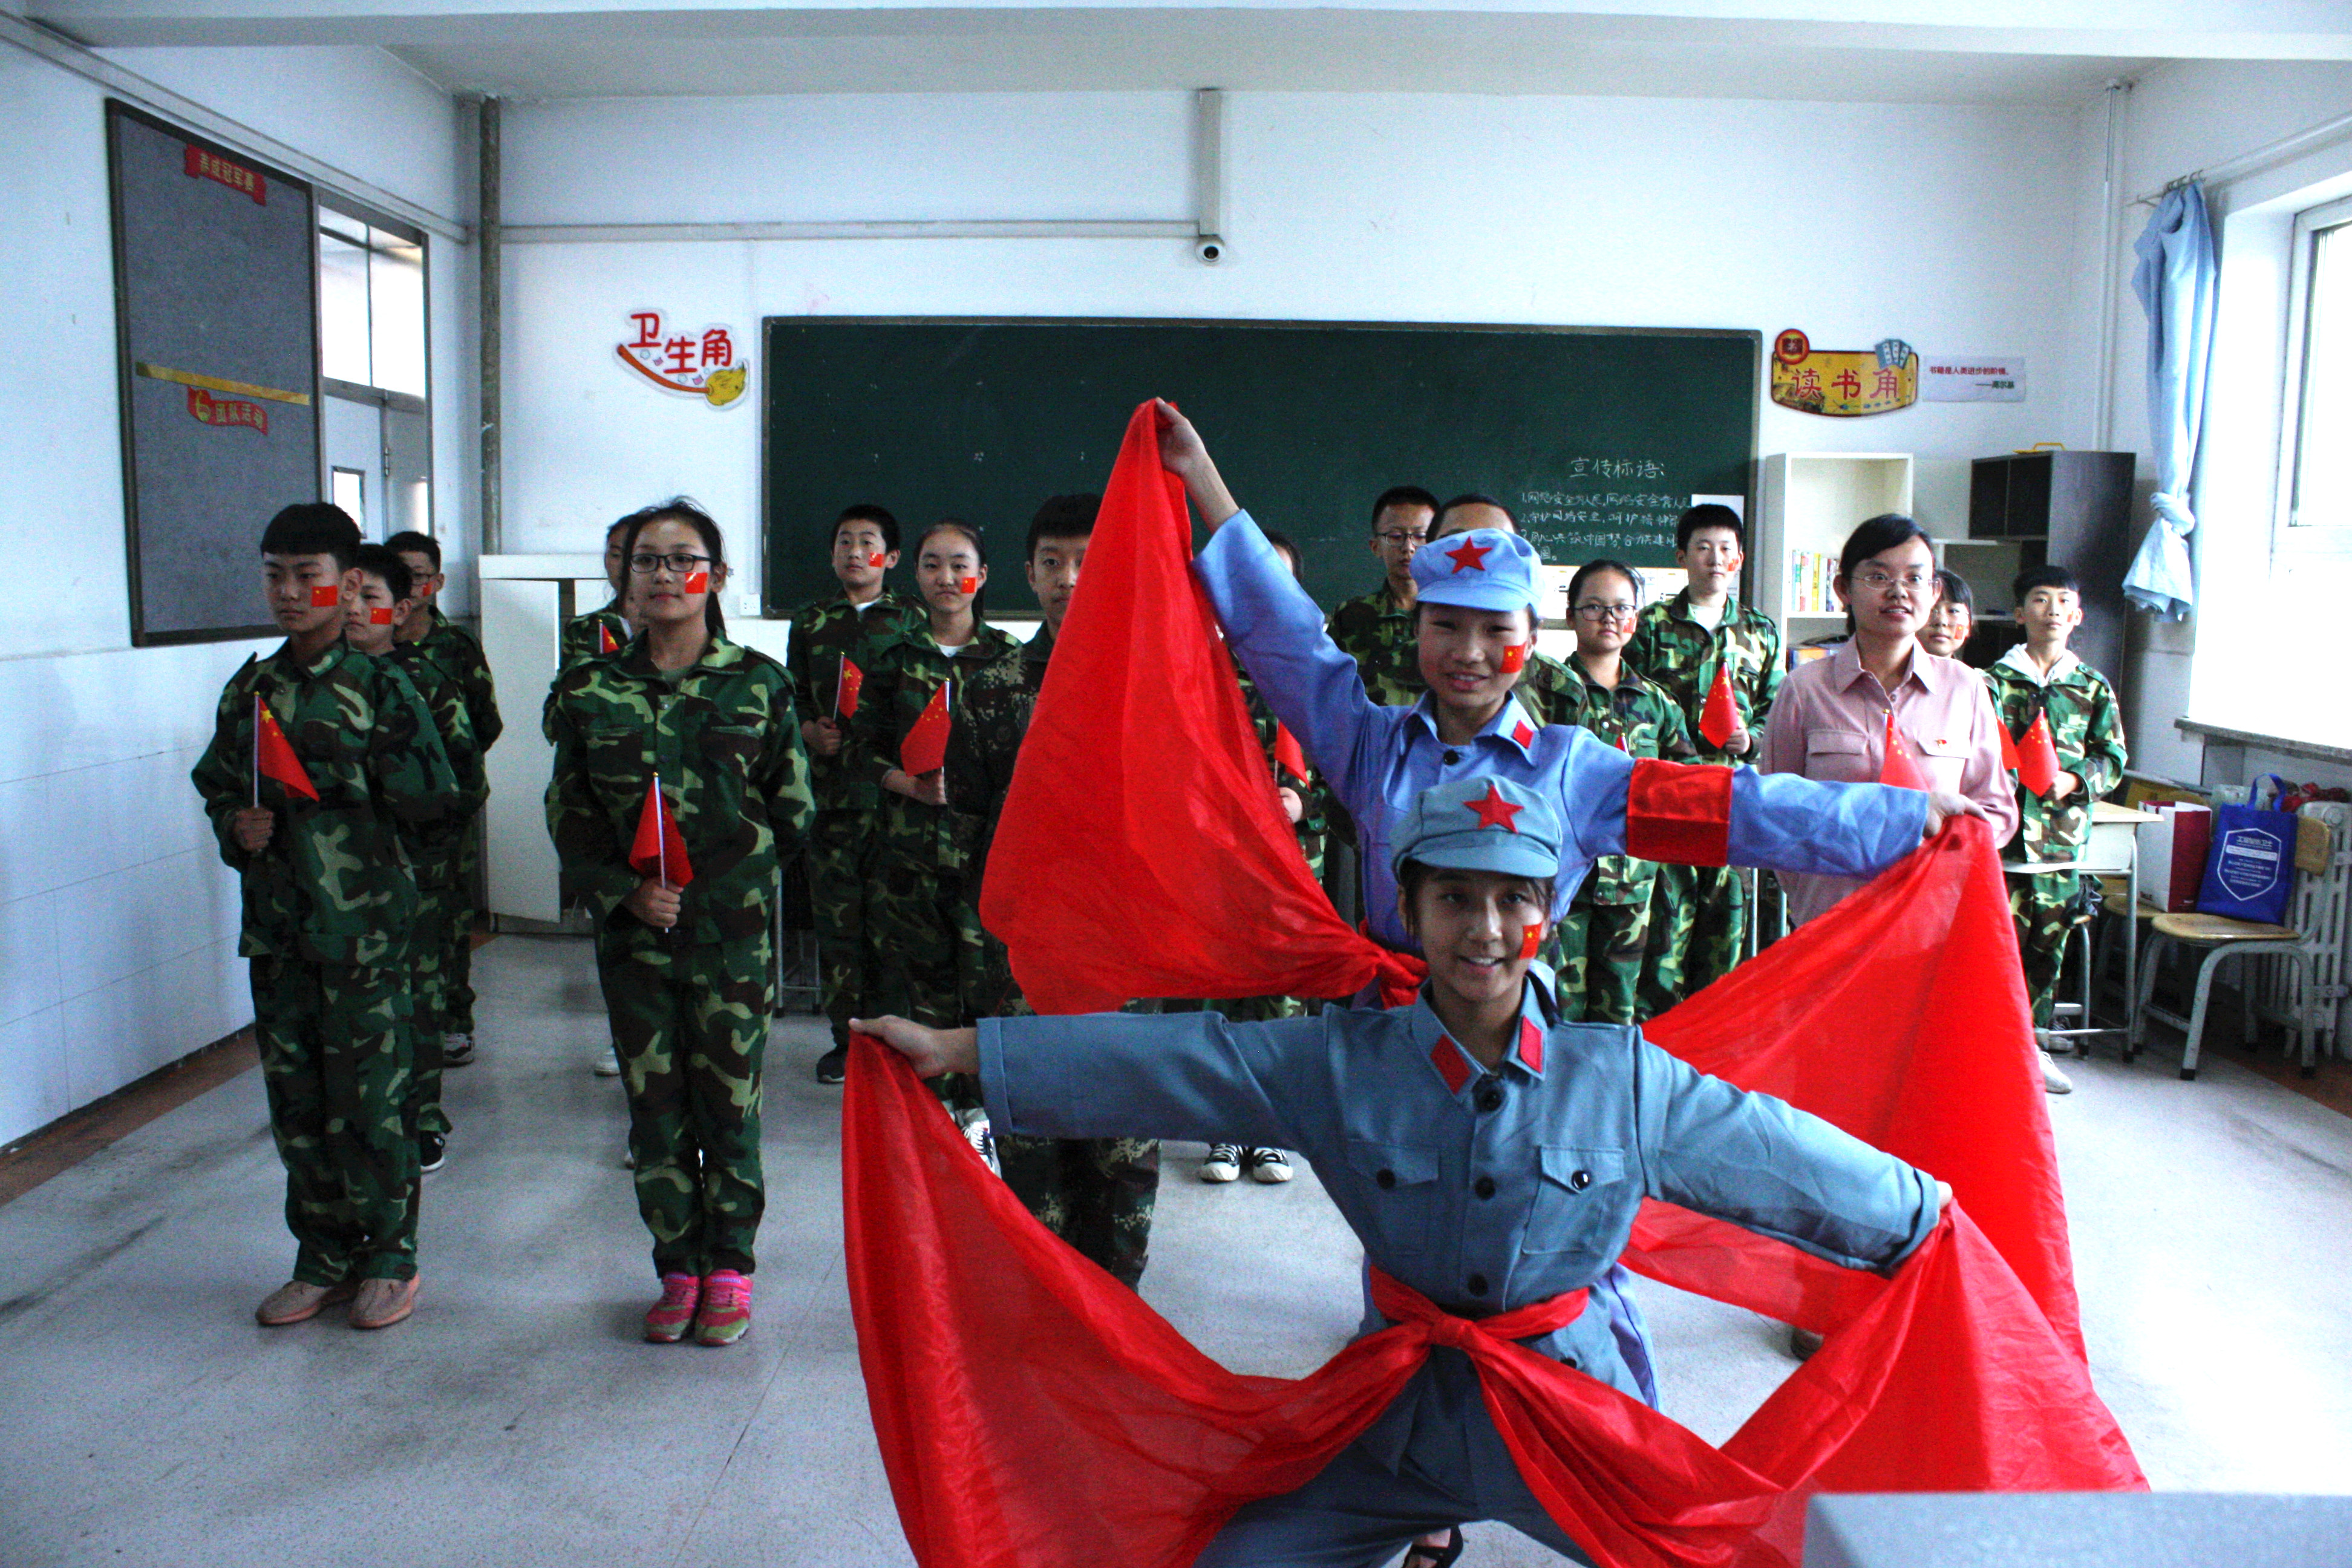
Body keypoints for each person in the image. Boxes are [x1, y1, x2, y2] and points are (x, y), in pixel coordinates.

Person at [855, 776, 1949, 1567]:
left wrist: (1923, 1220)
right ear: (1411, 913)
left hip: (1575, 1418)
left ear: (1547, 915)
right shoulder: (1338, 1062)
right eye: (1453, 900)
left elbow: (1778, 1155)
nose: (1484, 929)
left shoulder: (1618, 1078)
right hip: (1394, 1414)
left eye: (1512, 900)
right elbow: (1173, 1062)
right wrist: (963, 1052)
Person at [1154, 402, 1982, 978]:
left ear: (1533, 640)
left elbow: (1736, 808)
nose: (1469, 654)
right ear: (1417, 629)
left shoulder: (1571, 768)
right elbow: (1287, 640)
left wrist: (1903, 818)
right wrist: (1200, 476)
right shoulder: (1366, 744)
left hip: (1519, 1037)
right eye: (1446, 626)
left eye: (1495, 631)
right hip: (1386, 1037)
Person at [545, 500, 815, 1345]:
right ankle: (677, 1267)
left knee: (729, 1109)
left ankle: (730, 1268)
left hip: (730, 939)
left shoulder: (758, 684)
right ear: (623, 578)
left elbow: (794, 809)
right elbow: (568, 811)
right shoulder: (590, 689)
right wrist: (621, 890)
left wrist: (725, 875)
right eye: (647, 562)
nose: (665, 576)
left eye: (683, 560)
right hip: (634, 939)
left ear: (717, 576)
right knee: (653, 1109)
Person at [190, 503, 457, 1332]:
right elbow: (219, 785)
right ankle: (323, 1257)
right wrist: (239, 823)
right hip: (280, 933)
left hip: (368, 936)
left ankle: (388, 1258)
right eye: (275, 575)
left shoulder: (384, 686)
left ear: (346, 587)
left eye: (306, 576)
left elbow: (439, 801)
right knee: (299, 1103)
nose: (288, 592)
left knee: (373, 1101)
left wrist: (364, 804)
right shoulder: (252, 689)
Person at [945, 494, 1161, 1288]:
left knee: (1122, 1143)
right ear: (1030, 573)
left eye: (1089, 561)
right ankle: (1051, 1305)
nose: (1071, 578)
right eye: (1053, 562)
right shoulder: (992, 686)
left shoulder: (1157, 679)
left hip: (1125, 955)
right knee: (1032, 1141)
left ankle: (1119, 1306)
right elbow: (968, 825)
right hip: (1023, 953)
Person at [1757, 514, 2018, 930]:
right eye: (1878, 577)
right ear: (1843, 588)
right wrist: (1811, 893)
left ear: (1934, 592)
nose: (1899, 592)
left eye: (1915, 579)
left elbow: (1997, 811)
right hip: (1831, 917)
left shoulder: (1965, 688)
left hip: (1931, 918)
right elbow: (1774, 807)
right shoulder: (1805, 690)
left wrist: (1940, 846)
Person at [850, 519, 1019, 1143]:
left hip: (990, 859)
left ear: (984, 574)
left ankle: (988, 1103)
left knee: (990, 983)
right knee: (925, 983)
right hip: (910, 855)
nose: (947, 578)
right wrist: (908, 785)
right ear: (913, 573)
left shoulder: (1010, 662)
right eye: (931, 565)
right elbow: (858, 750)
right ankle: (940, 1109)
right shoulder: (892, 660)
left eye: (960, 564)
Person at [348, 546, 486, 1175]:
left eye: (369, 599)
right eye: (342, 595)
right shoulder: (314, 681)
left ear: (401, 610)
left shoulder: (427, 682)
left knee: (418, 1001)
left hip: (417, 878)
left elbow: (466, 774)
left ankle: (421, 1117)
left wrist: (424, 843)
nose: (351, 610)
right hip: (339, 887)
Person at [1196, 529, 1324, 1188]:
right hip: (1218, 859)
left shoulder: (1319, 668)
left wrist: (1307, 805)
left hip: (1291, 866)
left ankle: (1272, 1133)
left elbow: (1352, 770)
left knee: (1280, 1003)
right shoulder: (1200, 666)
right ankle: (1223, 1130)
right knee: (1221, 995)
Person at [785, 504, 924, 1085]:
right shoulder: (812, 621)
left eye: (867, 542)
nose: (853, 551)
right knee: (838, 925)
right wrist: (808, 730)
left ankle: (895, 1039)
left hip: (897, 801)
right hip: (833, 799)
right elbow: (789, 696)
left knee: (895, 925)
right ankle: (847, 1040)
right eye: (844, 541)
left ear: (890, 559)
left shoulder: (914, 620)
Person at [1625, 503, 1781, 1014]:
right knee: (1666, 922)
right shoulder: (1648, 626)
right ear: (1681, 557)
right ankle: (1661, 1032)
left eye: (1725, 549)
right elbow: (1631, 702)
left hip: (1734, 797)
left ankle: (1717, 1028)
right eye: (1702, 547)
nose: (1715, 559)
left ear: (1739, 559)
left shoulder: (1761, 630)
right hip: (1670, 794)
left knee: (1727, 924)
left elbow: (1774, 707)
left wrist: (1752, 739)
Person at [1982, 565, 2128, 1076]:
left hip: (2060, 844)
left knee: (2049, 941)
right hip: (2000, 840)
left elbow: (2112, 757)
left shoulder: (2092, 687)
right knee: (1990, 943)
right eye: (2041, 601)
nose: (2053, 611)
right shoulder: (1991, 682)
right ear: (2020, 613)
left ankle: (2031, 1048)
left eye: (2064, 602)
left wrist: (2076, 780)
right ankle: (1983, 1044)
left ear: (2078, 616)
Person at [1550, 560, 1694, 1024]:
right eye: (1594, 607)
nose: (1609, 618)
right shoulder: (1547, 693)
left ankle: (1613, 1096)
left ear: (1636, 617)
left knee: (1621, 1013)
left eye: (1621, 608)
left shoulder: (1658, 703)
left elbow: (1687, 783)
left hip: (1634, 884)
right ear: (1571, 616)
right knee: (1559, 1008)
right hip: (1562, 882)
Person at [385, 531, 503, 1071]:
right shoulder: (362, 650)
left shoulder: (454, 649)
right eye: (399, 572)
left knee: (447, 922)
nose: (410, 582)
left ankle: (453, 1020)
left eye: (418, 573)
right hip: (385, 822)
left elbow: (484, 723)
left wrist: (443, 780)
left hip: (446, 815)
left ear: (436, 583)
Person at [1426, 495, 1579, 727]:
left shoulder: (1561, 690)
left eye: (1497, 544)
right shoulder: (1375, 688)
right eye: (1457, 541)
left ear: (1531, 639)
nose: (1477, 553)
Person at [1326, 486, 1439, 707]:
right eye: (1395, 536)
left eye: (1420, 536)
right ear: (1375, 546)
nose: (1408, 547)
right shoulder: (1350, 618)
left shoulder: (1456, 617)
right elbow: (1326, 693)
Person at [1918, 568, 1978, 662]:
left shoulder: (1971, 677)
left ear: (1968, 626)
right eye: (1931, 610)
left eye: (1953, 611)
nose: (1941, 621)